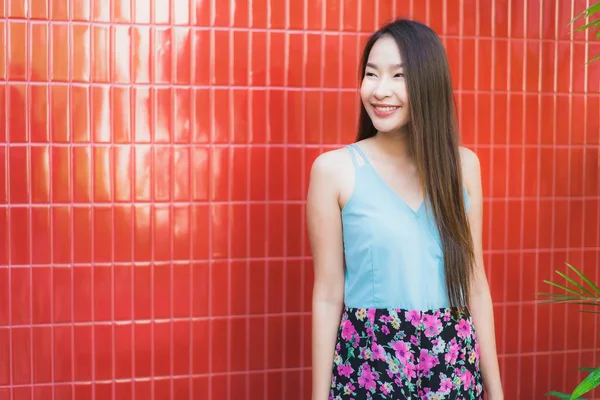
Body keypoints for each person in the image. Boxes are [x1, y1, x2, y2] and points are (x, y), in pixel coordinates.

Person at [306, 18, 503, 400]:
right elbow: (328, 294)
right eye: (371, 74)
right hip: (369, 372)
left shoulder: (463, 167)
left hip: (454, 372)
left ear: (428, 84)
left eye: (399, 76)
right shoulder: (334, 171)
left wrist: (495, 392)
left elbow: (475, 285)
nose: (380, 91)